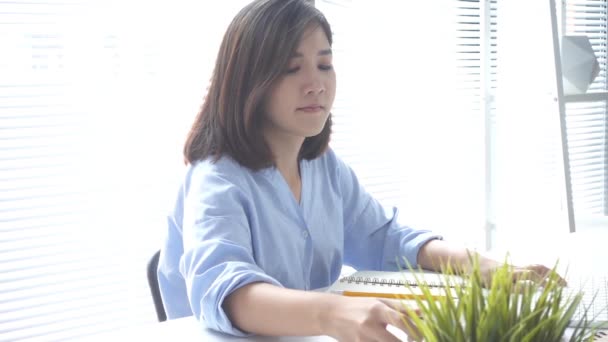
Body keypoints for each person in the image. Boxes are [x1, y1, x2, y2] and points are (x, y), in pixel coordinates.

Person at [157, 0, 560, 341]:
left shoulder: (322, 166)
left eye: (325, 64)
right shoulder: (216, 179)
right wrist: (333, 313)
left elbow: (385, 238)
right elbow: (229, 292)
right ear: (249, 82)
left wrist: (483, 266)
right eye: (291, 69)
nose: (315, 84)